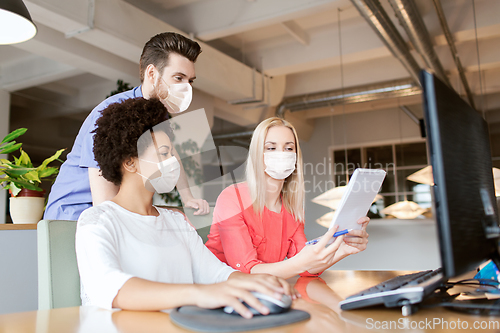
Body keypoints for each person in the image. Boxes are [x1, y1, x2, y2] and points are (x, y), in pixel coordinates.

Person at [75, 98, 295, 317]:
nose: (173, 162)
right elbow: (111, 287)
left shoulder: (175, 221)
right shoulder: (96, 220)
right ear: (130, 162)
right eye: (163, 154)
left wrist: (260, 282)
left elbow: (216, 273)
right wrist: (199, 294)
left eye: (172, 153)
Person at [44, 32, 209, 221]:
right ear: (152, 74)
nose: (186, 87)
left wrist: (187, 198)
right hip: (73, 216)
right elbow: (104, 204)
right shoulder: (110, 114)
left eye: (190, 81)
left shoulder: (157, 114)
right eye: (178, 78)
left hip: (110, 214)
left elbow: (171, 153)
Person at [205, 117, 370, 279]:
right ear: (257, 154)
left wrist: (343, 249)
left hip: (262, 293)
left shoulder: (292, 209)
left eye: (289, 148)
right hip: (217, 293)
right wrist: (300, 263)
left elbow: (306, 267)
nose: (282, 154)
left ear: (296, 156)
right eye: (271, 148)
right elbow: (245, 271)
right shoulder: (232, 198)